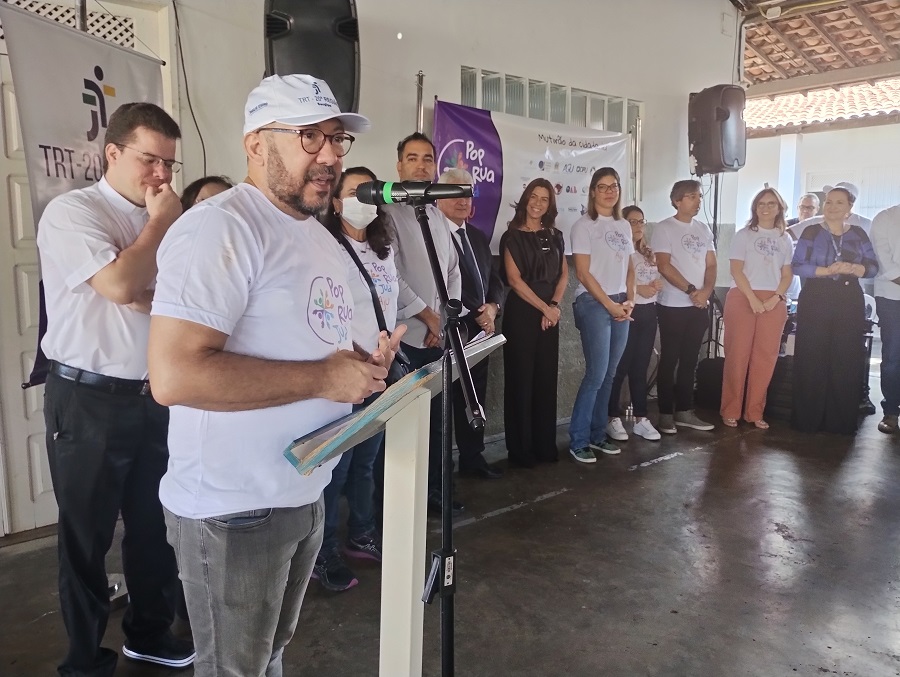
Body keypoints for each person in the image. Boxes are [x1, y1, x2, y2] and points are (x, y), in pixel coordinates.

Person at [148, 74, 401, 676]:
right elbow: (174, 375)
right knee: (235, 668)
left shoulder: (319, 236)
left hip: (303, 492)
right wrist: (323, 380)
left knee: (269, 657)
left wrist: (361, 365)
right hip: (234, 508)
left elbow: (313, 342)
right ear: (256, 144)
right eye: (309, 137)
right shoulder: (221, 227)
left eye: (336, 139)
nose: (330, 155)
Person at [37, 102, 194, 675]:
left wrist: (139, 278)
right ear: (112, 153)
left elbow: (178, 296)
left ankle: (148, 635)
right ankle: (83, 659)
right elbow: (124, 284)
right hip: (88, 399)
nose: (161, 175)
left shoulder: (166, 219)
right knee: (87, 536)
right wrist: (158, 229)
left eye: (169, 164)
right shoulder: (73, 212)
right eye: (150, 160)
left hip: (155, 395)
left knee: (155, 528)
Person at [313, 166, 399, 591]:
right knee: (338, 467)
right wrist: (360, 356)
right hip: (347, 370)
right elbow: (326, 311)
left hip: (381, 369)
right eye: (353, 193)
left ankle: (362, 534)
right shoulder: (327, 247)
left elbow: (390, 302)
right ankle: (323, 551)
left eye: (370, 193)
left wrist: (384, 353)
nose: (363, 201)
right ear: (335, 202)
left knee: (366, 462)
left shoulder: (384, 249)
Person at [385, 132, 463, 514]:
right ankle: (401, 504)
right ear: (399, 165)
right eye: (412, 158)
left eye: (427, 158)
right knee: (403, 427)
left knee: (437, 423)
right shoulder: (388, 213)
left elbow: (452, 271)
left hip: (437, 338)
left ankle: (434, 492)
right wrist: (427, 315)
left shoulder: (436, 214)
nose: (420, 165)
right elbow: (390, 275)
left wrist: (444, 320)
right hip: (406, 337)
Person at [436, 167, 506, 479]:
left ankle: (472, 458)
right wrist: (473, 309)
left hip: (480, 330)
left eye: (467, 193)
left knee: (473, 397)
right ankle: (440, 471)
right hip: (448, 330)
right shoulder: (433, 236)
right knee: (443, 403)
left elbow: (494, 280)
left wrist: (493, 307)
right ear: (439, 198)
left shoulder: (476, 236)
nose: (463, 200)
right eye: (455, 193)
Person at [791, 185, 878, 434]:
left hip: (849, 299)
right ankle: (807, 420)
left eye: (839, 202)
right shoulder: (811, 231)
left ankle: (840, 422)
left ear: (850, 208)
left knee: (846, 357)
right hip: (815, 297)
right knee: (811, 356)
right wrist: (825, 271)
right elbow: (797, 265)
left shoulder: (859, 233)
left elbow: (873, 266)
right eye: (829, 202)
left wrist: (857, 269)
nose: (832, 207)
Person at [500, 178, 568, 467]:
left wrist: (553, 307)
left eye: (544, 199)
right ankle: (521, 451)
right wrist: (544, 308)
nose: (538, 203)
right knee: (521, 381)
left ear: (550, 205)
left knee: (545, 380)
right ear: (525, 199)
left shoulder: (556, 236)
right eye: (534, 197)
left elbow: (563, 274)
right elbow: (514, 281)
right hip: (523, 315)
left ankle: (544, 446)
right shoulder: (512, 237)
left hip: (549, 316)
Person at [568, 168, 635, 463]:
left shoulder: (624, 225)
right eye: (603, 186)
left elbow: (630, 268)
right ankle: (579, 440)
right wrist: (609, 305)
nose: (609, 191)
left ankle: (598, 435)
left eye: (614, 186)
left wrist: (631, 299)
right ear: (593, 191)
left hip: (620, 302)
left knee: (610, 374)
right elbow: (583, 273)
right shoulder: (583, 226)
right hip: (594, 303)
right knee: (596, 374)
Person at [720, 188, 793, 429]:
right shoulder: (744, 235)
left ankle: (754, 412)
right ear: (755, 208)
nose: (766, 207)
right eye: (761, 203)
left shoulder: (785, 238)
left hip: (773, 300)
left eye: (771, 203)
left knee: (765, 357)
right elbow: (736, 269)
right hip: (743, 296)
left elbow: (787, 274)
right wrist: (751, 298)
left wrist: (776, 298)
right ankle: (730, 409)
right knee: (737, 355)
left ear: (779, 208)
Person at [651, 180, 717, 434]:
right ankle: (665, 414)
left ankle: (684, 411)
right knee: (670, 358)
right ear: (677, 200)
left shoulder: (703, 228)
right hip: (673, 305)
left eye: (699, 196)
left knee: (690, 359)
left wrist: (706, 292)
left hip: (698, 305)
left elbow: (711, 265)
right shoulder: (664, 228)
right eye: (691, 196)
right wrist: (691, 291)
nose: (697, 201)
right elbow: (664, 265)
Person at [607, 205, 663, 442]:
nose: (638, 226)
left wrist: (655, 286)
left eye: (641, 221)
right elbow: (617, 279)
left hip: (649, 313)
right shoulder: (620, 251)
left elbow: (653, 278)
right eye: (633, 221)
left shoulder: (648, 252)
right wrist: (639, 289)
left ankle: (641, 418)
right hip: (628, 310)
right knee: (620, 368)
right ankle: (611, 417)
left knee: (640, 368)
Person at [869, 201, 900, 433]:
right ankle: (891, 412)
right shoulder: (885, 217)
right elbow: (884, 262)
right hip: (892, 297)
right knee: (893, 356)